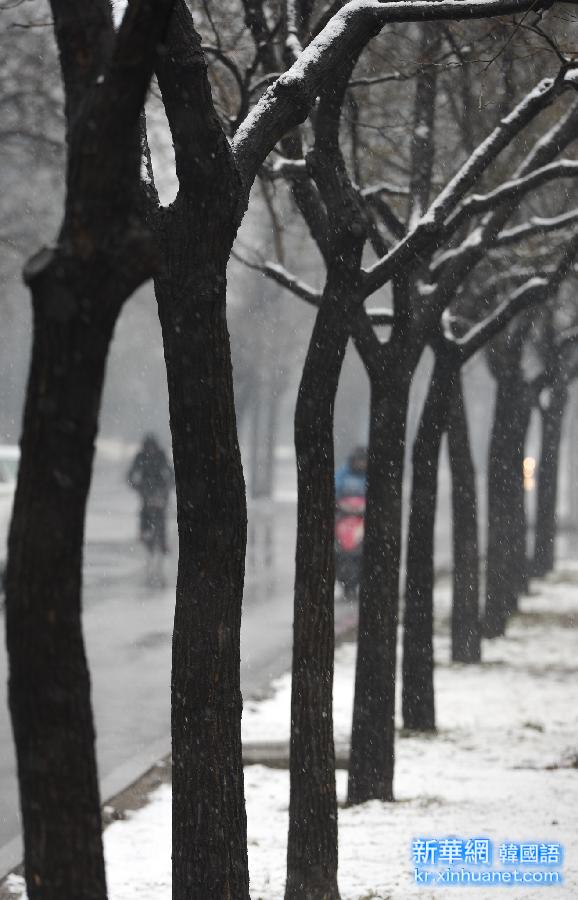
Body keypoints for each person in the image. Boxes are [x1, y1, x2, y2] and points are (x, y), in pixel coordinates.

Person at [127, 434, 174, 560]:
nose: (150, 450)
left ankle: (163, 543)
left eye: (152, 447)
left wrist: (168, 486)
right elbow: (130, 474)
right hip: (146, 489)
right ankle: (144, 534)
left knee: (161, 516)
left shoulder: (161, 456)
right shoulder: (140, 456)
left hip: (160, 489)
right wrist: (135, 486)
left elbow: (169, 472)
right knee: (144, 512)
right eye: (148, 447)